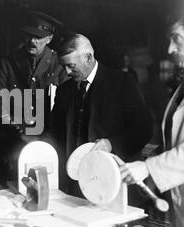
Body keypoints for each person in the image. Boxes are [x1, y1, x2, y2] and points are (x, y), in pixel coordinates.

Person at [50, 33, 152, 197]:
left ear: (88, 58)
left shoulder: (122, 82)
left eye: (71, 66)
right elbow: (54, 133)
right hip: (77, 187)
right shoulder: (65, 90)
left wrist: (112, 143)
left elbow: (144, 129)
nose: (67, 72)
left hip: (116, 184)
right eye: (64, 66)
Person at [120, 17, 184, 227]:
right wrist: (148, 166)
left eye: (176, 39)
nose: (170, 49)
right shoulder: (182, 88)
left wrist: (148, 167)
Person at [0, 11, 69, 185]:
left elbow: (66, 110)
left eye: (38, 37)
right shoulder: (9, 61)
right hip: (14, 144)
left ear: (49, 38)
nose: (32, 41)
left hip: (49, 146)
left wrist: (44, 139)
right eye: (29, 35)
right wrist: (19, 131)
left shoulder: (60, 65)